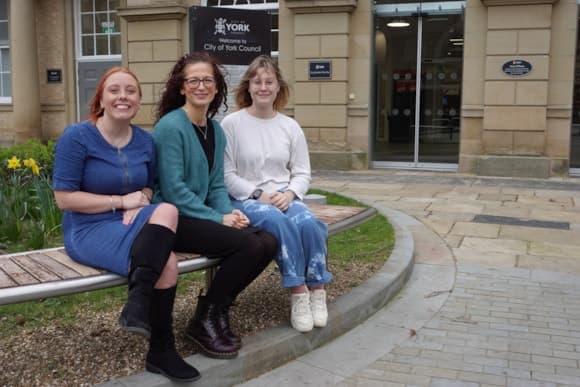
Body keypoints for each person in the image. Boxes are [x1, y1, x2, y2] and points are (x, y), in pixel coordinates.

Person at [52, 66, 200, 383]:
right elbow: (64, 198)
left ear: (138, 100)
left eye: (130, 91)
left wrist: (141, 200)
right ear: (101, 99)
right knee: (168, 262)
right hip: (88, 228)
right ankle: (162, 348)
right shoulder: (77, 137)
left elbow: (148, 186)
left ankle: (138, 304)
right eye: (115, 90)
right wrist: (119, 202)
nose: (123, 96)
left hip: (131, 218)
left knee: (168, 209)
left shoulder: (145, 142)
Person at [152, 52, 278, 359]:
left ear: (217, 86)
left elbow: (217, 184)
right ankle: (206, 318)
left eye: (207, 80)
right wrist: (217, 218)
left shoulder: (216, 130)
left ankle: (215, 310)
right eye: (193, 80)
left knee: (268, 241)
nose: (200, 86)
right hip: (172, 218)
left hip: (201, 215)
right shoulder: (171, 127)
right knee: (247, 245)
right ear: (181, 87)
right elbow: (174, 190)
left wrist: (228, 212)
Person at [221, 55, 333, 333]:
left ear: (278, 87)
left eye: (269, 81)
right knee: (275, 220)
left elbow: (302, 172)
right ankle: (298, 291)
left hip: (284, 195)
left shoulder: (290, 126)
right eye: (257, 81)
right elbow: (226, 174)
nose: (263, 87)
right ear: (247, 86)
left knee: (308, 222)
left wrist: (292, 193)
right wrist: (257, 193)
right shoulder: (231, 124)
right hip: (247, 199)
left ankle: (317, 289)